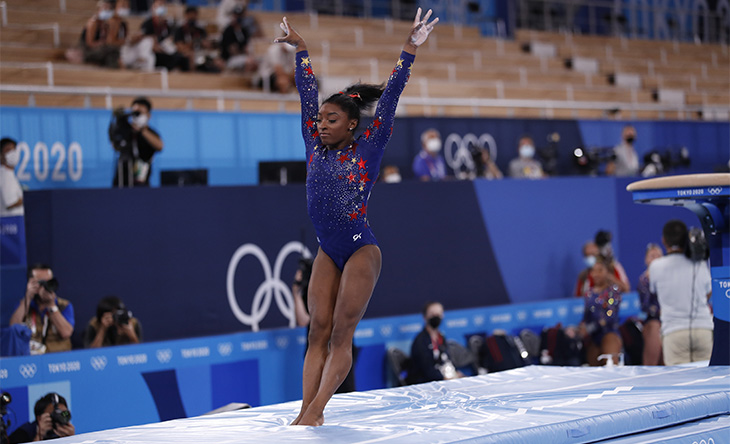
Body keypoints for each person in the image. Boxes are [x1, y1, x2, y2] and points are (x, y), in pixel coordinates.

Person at [274, 8, 438, 426]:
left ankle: (316, 411)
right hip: (328, 250)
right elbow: (306, 94)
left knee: (342, 334)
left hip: (361, 249)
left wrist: (408, 50)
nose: (321, 125)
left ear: (351, 125)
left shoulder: (369, 147)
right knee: (316, 332)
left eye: (331, 120)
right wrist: (303, 50)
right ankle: (304, 410)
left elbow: (391, 98)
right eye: (320, 120)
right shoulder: (314, 144)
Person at [649, 220, 713, 365]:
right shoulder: (700, 263)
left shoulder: (655, 266)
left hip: (674, 332)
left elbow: (654, 291)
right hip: (703, 329)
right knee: (708, 383)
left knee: (680, 383)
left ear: (663, 240)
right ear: (686, 238)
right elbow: (708, 292)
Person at [291, 258, 357, 393]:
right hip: (320, 350)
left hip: (336, 349)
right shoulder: (311, 293)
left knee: (343, 393)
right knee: (319, 395)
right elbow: (303, 320)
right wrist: (296, 293)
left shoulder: (336, 290)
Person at [8, 264, 75, 354]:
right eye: (41, 283)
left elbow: (66, 333)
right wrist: (28, 298)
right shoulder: (24, 305)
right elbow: (14, 328)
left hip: (58, 360)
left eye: (49, 282)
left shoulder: (63, 305)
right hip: (32, 359)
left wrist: (51, 305)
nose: (45, 287)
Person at [109, 96, 163, 187]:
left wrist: (142, 130)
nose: (137, 115)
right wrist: (117, 122)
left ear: (148, 115)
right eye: (135, 112)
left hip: (141, 183)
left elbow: (160, 146)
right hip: (122, 181)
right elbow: (115, 145)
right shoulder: (125, 129)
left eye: (140, 113)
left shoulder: (150, 133)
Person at [579, 256, 622, 366]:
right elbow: (586, 316)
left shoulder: (613, 291)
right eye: (593, 271)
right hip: (593, 336)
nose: (596, 274)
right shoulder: (589, 293)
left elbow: (609, 316)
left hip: (609, 333)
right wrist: (581, 327)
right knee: (594, 372)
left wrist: (590, 327)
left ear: (607, 272)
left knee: (611, 367)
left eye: (600, 270)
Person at [406, 301, 459, 384]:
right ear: (425, 317)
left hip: (443, 380)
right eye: (432, 314)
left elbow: (446, 360)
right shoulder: (420, 341)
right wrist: (446, 379)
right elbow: (427, 371)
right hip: (424, 384)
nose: (436, 317)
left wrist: (456, 375)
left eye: (438, 314)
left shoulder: (441, 337)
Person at [139, 0, 188, 72]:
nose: (161, 7)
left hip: (166, 50)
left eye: (163, 5)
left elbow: (170, 39)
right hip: (154, 53)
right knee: (172, 59)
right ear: (153, 7)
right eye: (159, 5)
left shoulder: (166, 24)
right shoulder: (148, 24)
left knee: (183, 58)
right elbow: (145, 42)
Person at [8, 393, 75, 443]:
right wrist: (39, 436)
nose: (59, 417)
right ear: (39, 418)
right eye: (54, 414)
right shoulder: (23, 433)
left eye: (63, 413)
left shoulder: (64, 431)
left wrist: (72, 439)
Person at [637, 243, 664, 365]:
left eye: (659, 256)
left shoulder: (669, 276)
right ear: (646, 260)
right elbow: (646, 306)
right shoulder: (644, 280)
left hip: (671, 318)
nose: (656, 259)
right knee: (654, 326)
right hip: (654, 319)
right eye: (652, 256)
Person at [174, 6, 222, 73]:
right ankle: (193, 77)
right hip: (186, 54)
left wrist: (205, 43)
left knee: (218, 60)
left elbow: (207, 44)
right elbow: (180, 47)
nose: (192, 17)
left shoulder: (200, 30)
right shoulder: (180, 30)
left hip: (201, 53)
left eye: (194, 14)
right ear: (186, 15)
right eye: (190, 14)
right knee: (191, 55)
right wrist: (193, 42)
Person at [81, 0, 122, 68]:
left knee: (113, 50)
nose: (107, 10)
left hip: (102, 49)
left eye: (109, 9)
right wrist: (103, 43)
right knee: (111, 51)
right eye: (105, 8)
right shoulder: (93, 22)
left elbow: (110, 39)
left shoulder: (107, 23)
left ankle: (112, 68)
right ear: (99, 9)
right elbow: (90, 44)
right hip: (87, 50)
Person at [221, 5, 260, 73]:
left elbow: (248, 45)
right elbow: (232, 50)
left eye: (240, 15)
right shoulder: (228, 31)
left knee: (257, 62)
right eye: (236, 15)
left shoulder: (244, 30)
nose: (238, 17)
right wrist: (243, 52)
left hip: (243, 56)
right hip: (230, 59)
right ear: (233, 16)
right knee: (249, 62)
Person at [0, 137, 23, 217]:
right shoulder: (5, 175)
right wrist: (27, 199)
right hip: (10, 225)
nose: (12, 153)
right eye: (8, 150)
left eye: (14, 150)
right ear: (1, 155)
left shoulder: (9, 174)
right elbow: (10, 202)